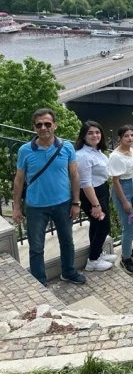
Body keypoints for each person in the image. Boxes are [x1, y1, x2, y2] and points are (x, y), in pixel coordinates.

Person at [13, 108, 86, 286]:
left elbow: (75, 176)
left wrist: (76, 202)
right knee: (36, 247)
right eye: (39, 125)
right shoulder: (25, 150)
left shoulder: (66, 147)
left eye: (47, 124)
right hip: (36, 206)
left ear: (55, 125)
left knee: (67, 241)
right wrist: (16, 207)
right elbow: (19, 179)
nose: (43, 128)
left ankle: (68, 272)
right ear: (34, 127)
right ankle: (40, 280)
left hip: (63, 203)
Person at [74, 120, 116, 272]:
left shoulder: (96, 151)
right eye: (90, 133)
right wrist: (95, 204)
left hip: (101, 190)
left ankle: (97, 254)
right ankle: (92, 261)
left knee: (96, 224)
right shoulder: (83, 156)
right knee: (104, 226)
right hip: (92, 194)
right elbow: (85, 183)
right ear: (83, 136)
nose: (95, 135)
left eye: (97, 132)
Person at [108, 125, 133, 274]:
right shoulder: (115, 156)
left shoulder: (130, 150)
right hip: (123, 188)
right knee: (128, 223)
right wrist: (124, 201)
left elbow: (132, 166)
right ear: (120, 138)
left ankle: (127, 247)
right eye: (126, 136)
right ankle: (125, 257)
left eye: (132, 135)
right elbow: (116, 180)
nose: (130, 138)